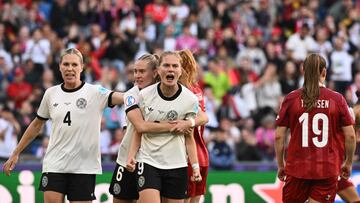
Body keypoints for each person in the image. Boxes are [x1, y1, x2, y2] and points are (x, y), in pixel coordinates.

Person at [2, 48, 125, 203]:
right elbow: (36, 125)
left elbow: (122, 97)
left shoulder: (95, 92)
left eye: (74, 64)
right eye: (66, 64)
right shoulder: (51, 93)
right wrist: (16, 152)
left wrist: (140, 95)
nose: (70, 68)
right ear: (60, 67)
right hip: (55, 164)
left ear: (81, 67)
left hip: (83, 166)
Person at [275, 53, 356, 203]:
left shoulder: (291, 99)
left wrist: (281, 164)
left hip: (296, 169)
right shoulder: (336, 99)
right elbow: (350, 136)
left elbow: (279, 136)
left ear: (302, 71)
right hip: (326, 169)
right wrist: (348, 163)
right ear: (324, 72)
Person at [109, 53, 184, 203]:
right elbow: (140, 126)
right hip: (128, 160)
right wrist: (175, 125)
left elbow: (201, 115)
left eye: (141, 71)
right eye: (135, 71)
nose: (137, 76)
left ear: (155, 72)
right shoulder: (131, 95)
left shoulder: (168, 92)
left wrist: (189, 123)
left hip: (156, 161)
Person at [127, 51, 200, 203]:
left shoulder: (190, 100)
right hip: (148, 161)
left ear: (181, 71)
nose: (170, 69)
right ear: (158, 70)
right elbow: (138, 130)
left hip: (177, 164)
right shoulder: (145, 95)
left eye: (175, 66)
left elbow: (189, 138)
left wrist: (195, 166)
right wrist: (131, 156)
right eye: (166, 65)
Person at [178, 49, 209, 203]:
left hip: (186, 156)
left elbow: (203, 118)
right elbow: (204, 117)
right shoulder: (196, 90)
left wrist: (188, 123)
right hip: (201, 153)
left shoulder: (179, 92)